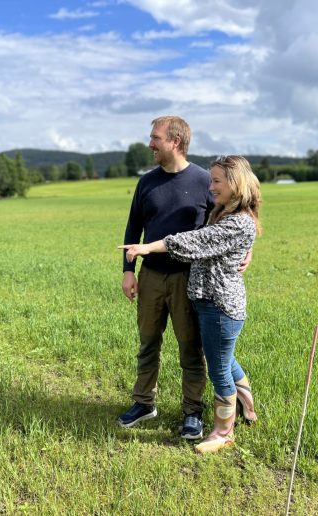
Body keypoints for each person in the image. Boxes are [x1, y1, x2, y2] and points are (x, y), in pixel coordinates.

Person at [120, 155, 261, 453]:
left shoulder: (235, 222)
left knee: (219, 367)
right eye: (211, 181)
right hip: (207, 300)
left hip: (219, 304)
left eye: (217, 182)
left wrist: (148, 247)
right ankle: (247, 405)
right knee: (225, 358)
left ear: (235, 184)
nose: (211, 188)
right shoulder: (223, 211)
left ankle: (224, 431)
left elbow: (195, 241)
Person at [117, 115, 214, 440]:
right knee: (148, 343)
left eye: (155, 138)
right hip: (151, 278)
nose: (150, 144)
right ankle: (144, 403)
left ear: (175, 141)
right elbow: (133, 228)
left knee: (190, 348)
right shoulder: (147, 182)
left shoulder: (204, 180)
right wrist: (128, 271)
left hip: (189, 279)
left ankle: (192, 412)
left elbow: (230, 220)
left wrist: (248, 250)